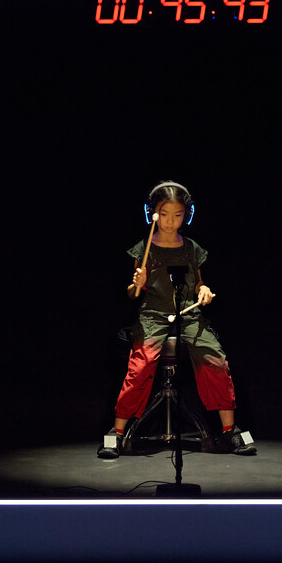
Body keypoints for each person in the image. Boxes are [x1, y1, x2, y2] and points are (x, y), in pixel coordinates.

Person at [100, 181, 256, 459]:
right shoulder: (143, 249)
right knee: (141, 364)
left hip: (189, 313)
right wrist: (139, 282)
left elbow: (199, 284)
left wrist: (203, 290)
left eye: (178, 215)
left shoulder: (192, 248)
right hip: (153, 315)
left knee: (215, 360)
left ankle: (229, 431)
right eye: (165, 214)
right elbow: (133, 293)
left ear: (187, 214)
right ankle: (117, 432)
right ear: (153, 214)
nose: (172, 221)